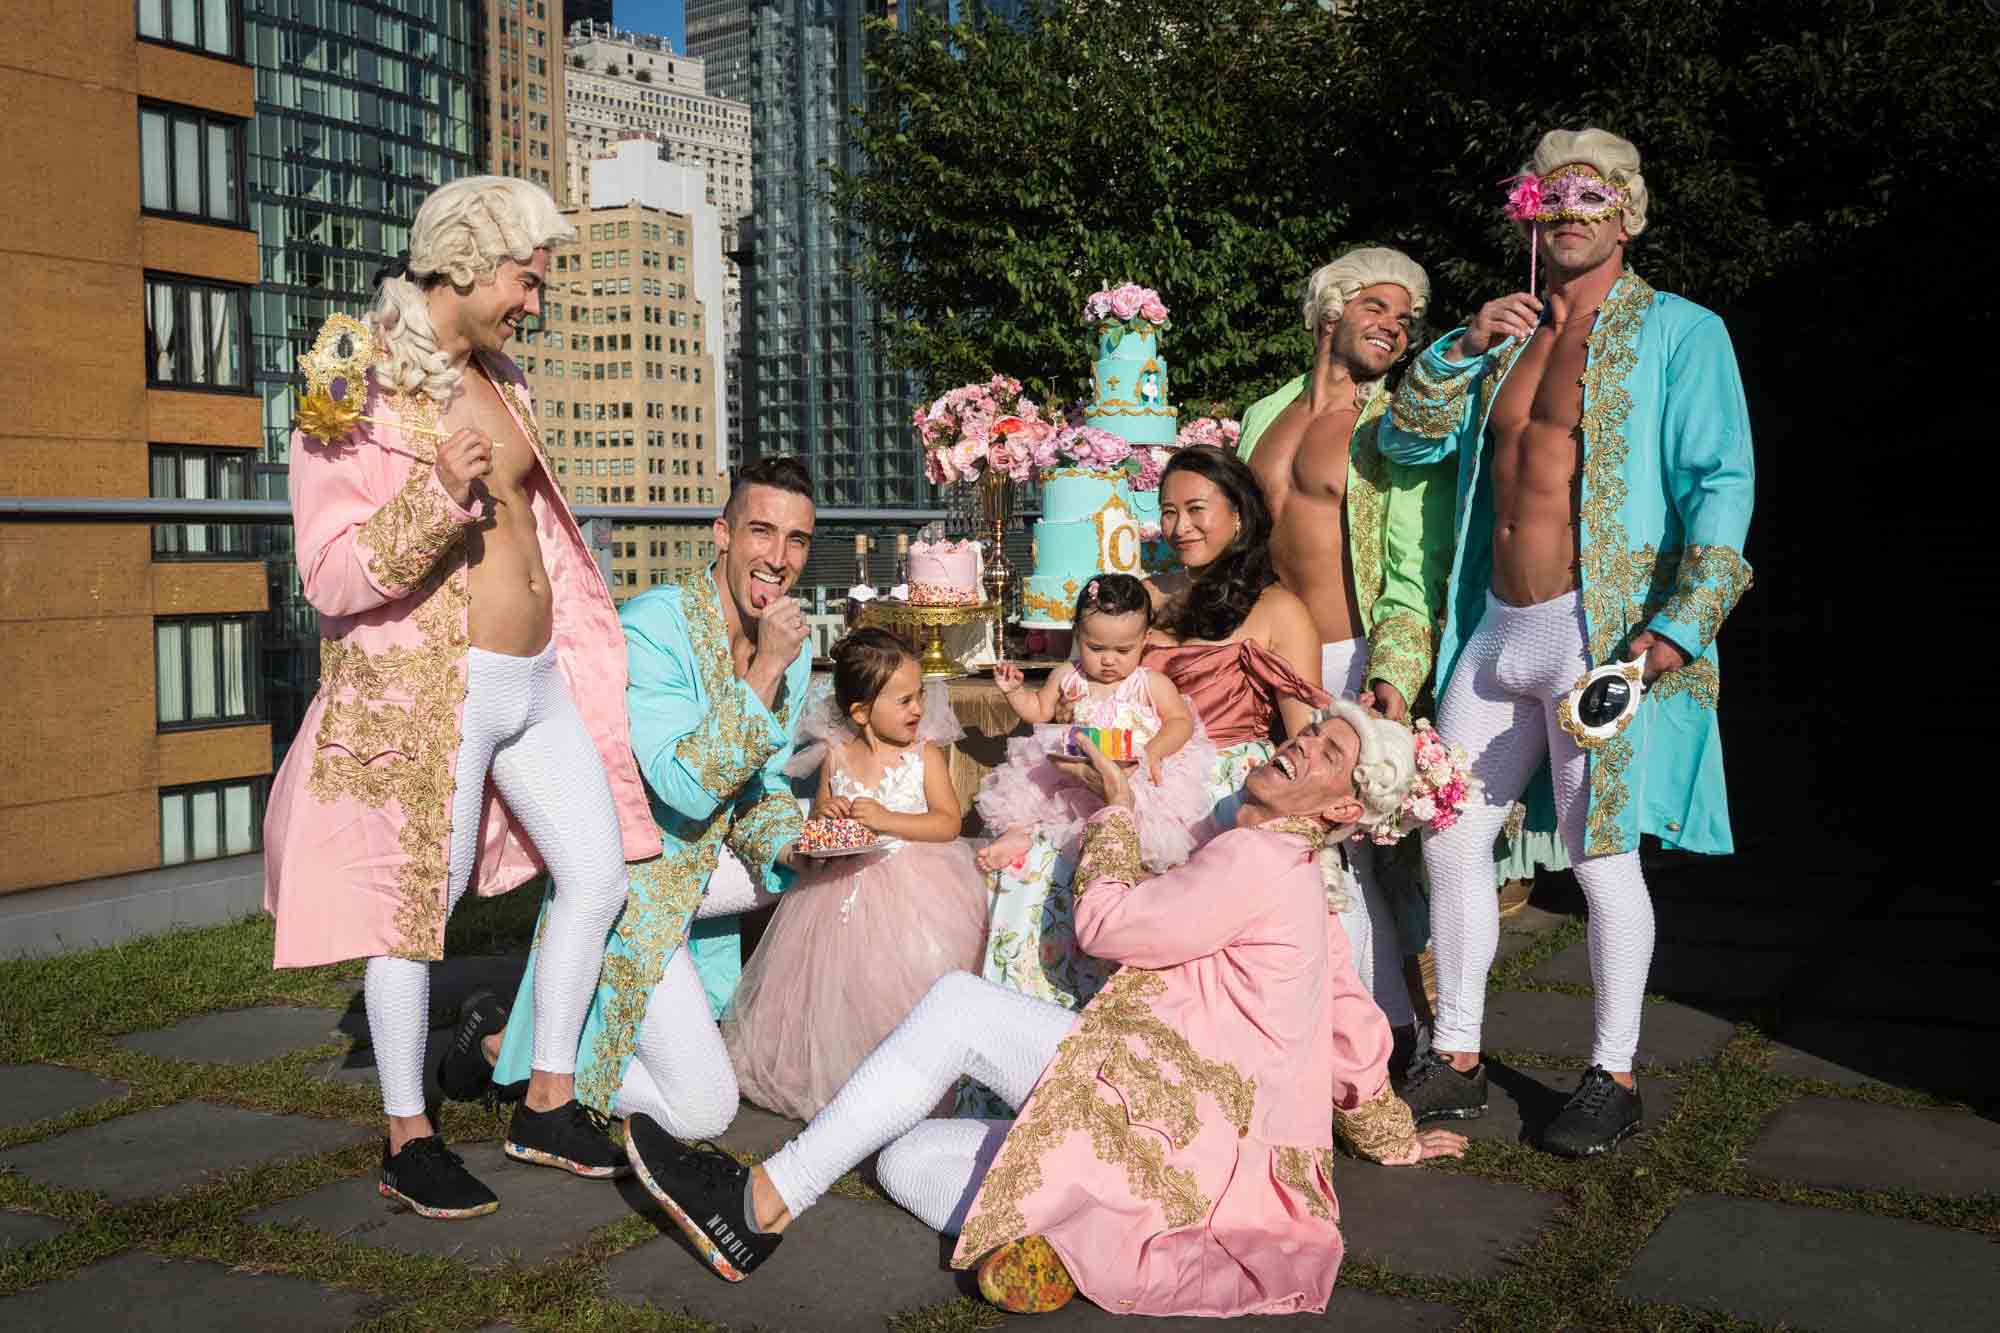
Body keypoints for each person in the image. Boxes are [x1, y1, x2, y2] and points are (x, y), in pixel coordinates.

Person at [619, 702, 1468, 1315]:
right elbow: (1351, 1026)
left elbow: (1106, 925)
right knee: (903, 1154)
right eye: (1309, 733)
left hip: (1170, 1113)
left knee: (957, 1004)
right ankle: (1055, 1244)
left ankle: (760, 1200)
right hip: (1206, 1155)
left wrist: (1115, 811)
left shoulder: (1257, 855)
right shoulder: (1304, 875)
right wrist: (1392, 1137)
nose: (1298, 745)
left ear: (1344, 809)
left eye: (1323, 756)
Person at [263, 177, 660, 1218]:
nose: (536, 300)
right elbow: (331, 575)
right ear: (468, 261)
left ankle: (546, 1101)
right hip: (431, 693)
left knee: (598, 872)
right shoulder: (348, 377)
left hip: (537, 683)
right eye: (527, 280)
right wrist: (436, 495)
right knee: (410, 915)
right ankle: (407, 1136)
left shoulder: (503, 373)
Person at [1381, 128, 1755, 1156]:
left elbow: (1722, 481)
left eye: (1595, 194)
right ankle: (1452, 1057)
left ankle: (1611, 1073)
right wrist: (1456, 346)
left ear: (1628, 214)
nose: (1572, 210)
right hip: (1493, 631)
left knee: (1600, 861)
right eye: (1553, 193)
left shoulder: (1682, 333)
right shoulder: (1499, 338)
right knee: (1448, 839)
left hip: (1601, 642)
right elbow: (1405, 439)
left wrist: (1679, 625)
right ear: (1529, 213)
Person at [445, 456, 821, 1146]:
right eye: (761, 532)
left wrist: (792, 845)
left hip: (702, 883)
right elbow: (684, 783)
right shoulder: (654, 625)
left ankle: (505, 1043)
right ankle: (526, 1061)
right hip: (637, 887)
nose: (778, 557)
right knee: (706, 1110)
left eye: (796, 539)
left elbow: (758, 786)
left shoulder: (794, 649)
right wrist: (764, 668)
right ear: (722, 534)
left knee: (827, 853)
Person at [1237, 245, 1454, 1045]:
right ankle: (1285, 1025)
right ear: (1332, 310)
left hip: (1348, 658)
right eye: (1379, 310)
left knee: (1357, 860)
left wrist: (1395, 672)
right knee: (1269, 844)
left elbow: (1413, 566)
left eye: (1406, 321)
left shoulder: (1393, 427)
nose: (1396, 330)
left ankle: (1386, 1037)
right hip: (1262, 665)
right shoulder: (1263, 415)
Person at [720, 629, 990, 1122]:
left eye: (920, 697)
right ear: (862, 712)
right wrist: (831, 813)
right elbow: (822, 813)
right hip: (839, 890)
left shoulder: (923, 756)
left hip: (913, 888)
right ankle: (844, 1074)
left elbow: (948, 822)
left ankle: (913, 1077)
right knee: (834, 984)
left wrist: (887, 820)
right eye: (905, 700)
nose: (917, 710)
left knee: (901, 979)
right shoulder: (838, 755)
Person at [975, 573, 1215, 876]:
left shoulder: (1150, 684)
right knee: (1031, 790)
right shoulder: (1067, 675)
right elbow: (1038, 711)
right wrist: (1015, 692)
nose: (1109, 661)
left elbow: (1181, 722)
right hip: (1073, 767)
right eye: (1097, 649)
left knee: (1143, 817)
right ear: (1078, 635)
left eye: (1123, 650)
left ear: (1145, 639)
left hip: (1129, 771)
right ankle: (1016, 833)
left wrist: (1153, 752)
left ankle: (1134, 865)